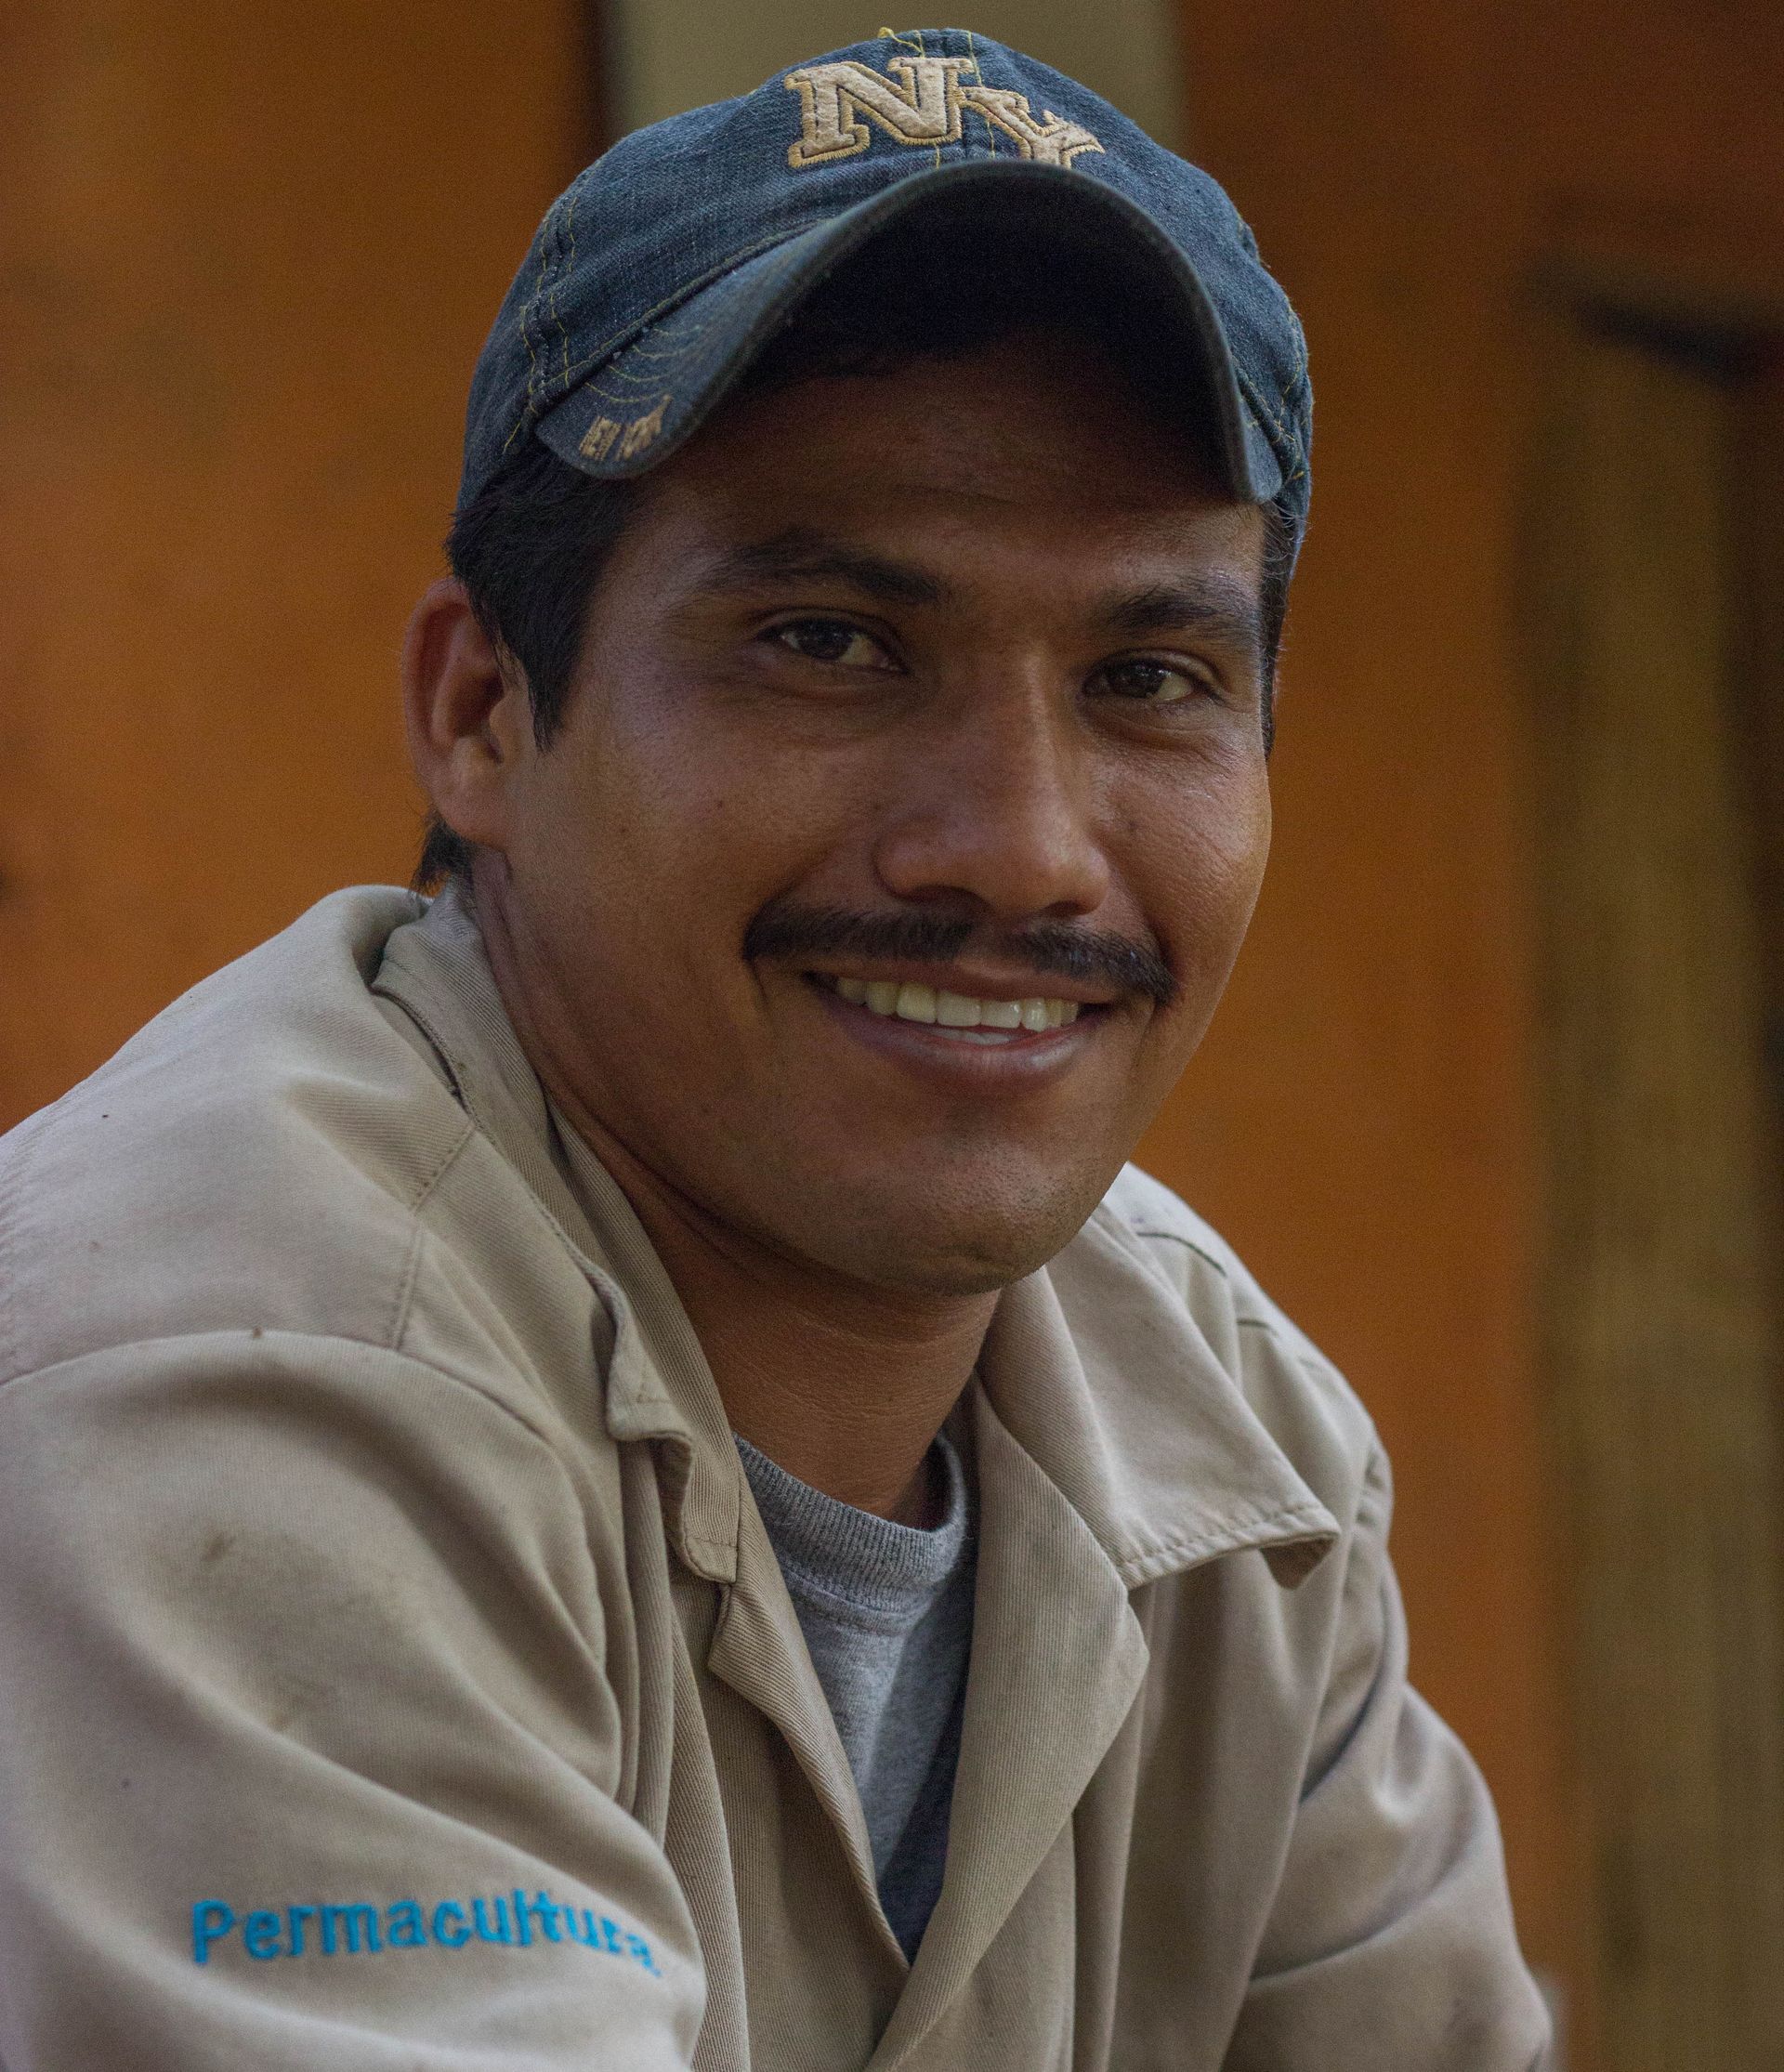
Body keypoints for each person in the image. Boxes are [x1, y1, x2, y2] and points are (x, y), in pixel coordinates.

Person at [0, 28, 1552, 2071]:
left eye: (1149, 675)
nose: (1018, 843)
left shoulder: (1228, 1465)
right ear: (484, 713)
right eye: (831, 642)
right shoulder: (231, 1368)